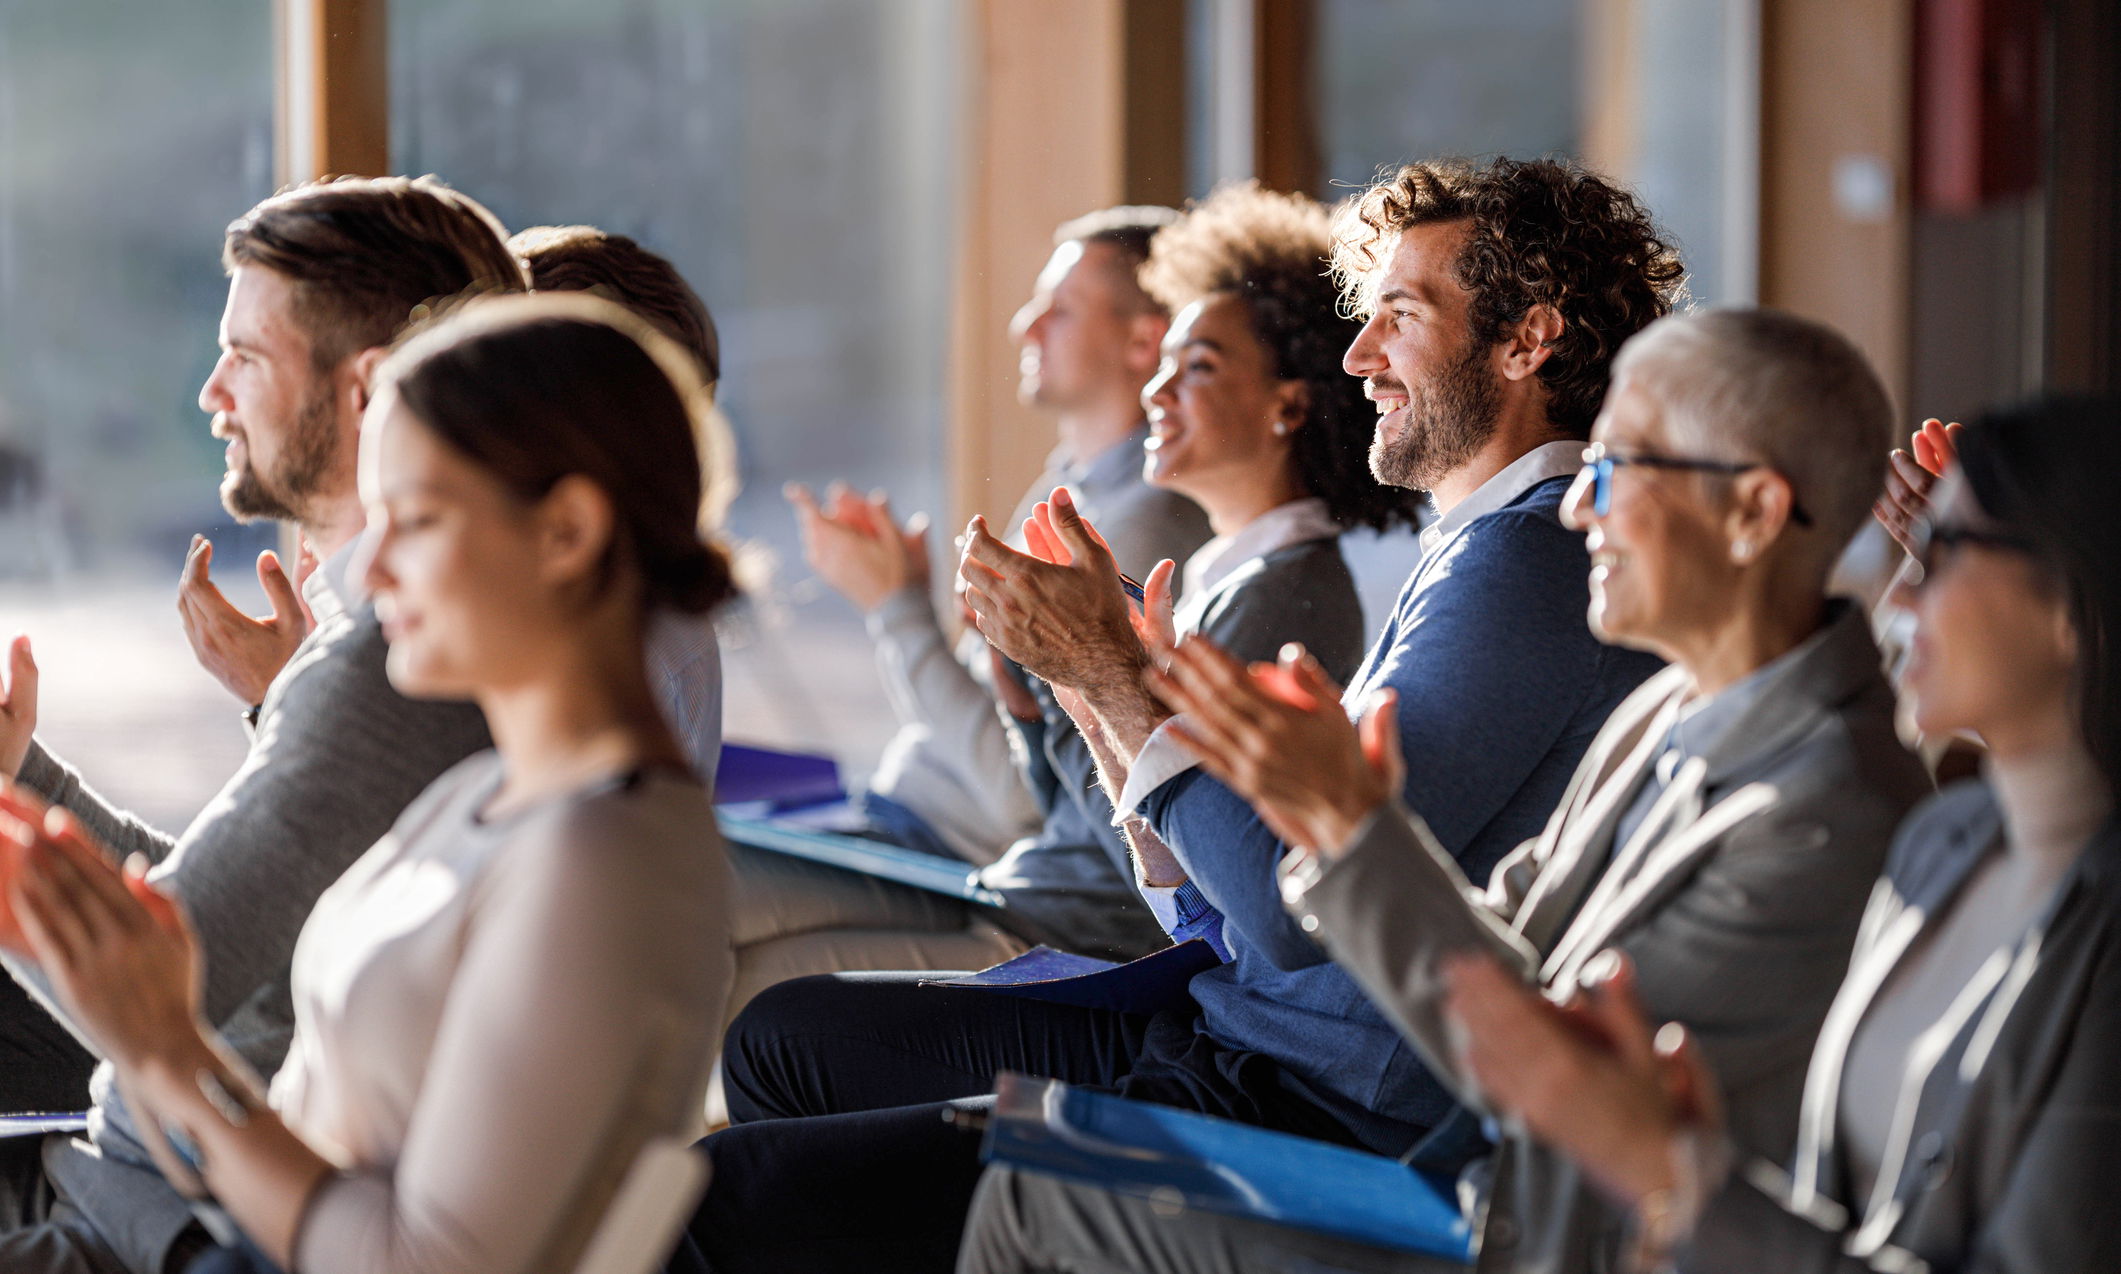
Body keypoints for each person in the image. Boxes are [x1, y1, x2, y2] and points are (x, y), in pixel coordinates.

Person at [676, 156, 1681, 1274]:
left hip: (1300, 1099)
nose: (1362, 357)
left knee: (728, 1192)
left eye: (1400, 316)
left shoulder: (1523, 562)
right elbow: (1229, 905)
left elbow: (1290, 911)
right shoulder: (1488, 551)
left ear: (1525, 341)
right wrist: (1104, 687)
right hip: (1242, 1033)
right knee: (781, 1041)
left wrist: (1115, 677)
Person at [957, 307, 1935, 1274]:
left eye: (1615, 467)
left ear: (1755, 513)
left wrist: (1348, 825)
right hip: (1450, 1164)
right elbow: (1503, 930)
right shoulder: (1667, 706)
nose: (1581, 507)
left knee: (1026, 1188)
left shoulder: (1824, 803)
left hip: (1522, 1227)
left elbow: (1538, 1067)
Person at [0, 293, 737, 1274]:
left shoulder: (602, 859)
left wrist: (169, 1050)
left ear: (566, 531)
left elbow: (413, 1259)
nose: (372, 564)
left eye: (416, 519)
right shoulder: (487, 797)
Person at [1440, 395, 2121, 1273]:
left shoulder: (1862, 811)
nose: (1901, 591)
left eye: (1944, 553)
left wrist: (1674, 1173)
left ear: (2068, 601)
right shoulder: (1945, 840)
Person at [0, 176, 529, 1274]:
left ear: (362, 390)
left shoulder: (384, 666)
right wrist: (27, 785)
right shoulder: (395, 642)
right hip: (146, 1162)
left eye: (245, 355)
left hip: (150, 1211)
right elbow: (219, 901)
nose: (209, 391)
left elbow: (168, 968)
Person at [981, 180, 1421, 960]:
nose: (1155, 391)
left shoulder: (1285, 602)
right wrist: (1035, 695)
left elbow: (1179, 880)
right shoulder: (1236, 577)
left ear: (1286, 406)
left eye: (1200, 367)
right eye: (1166, 363)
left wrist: (1068, 687)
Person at [787, 204, 1210, 868]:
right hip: (901, 819)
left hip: (947, 852)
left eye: (1059, 310)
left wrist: (894, 608)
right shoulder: (1073, 485)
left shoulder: (1132, 527)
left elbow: (1019, 798)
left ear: (1140, 343)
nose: (1022, 326)